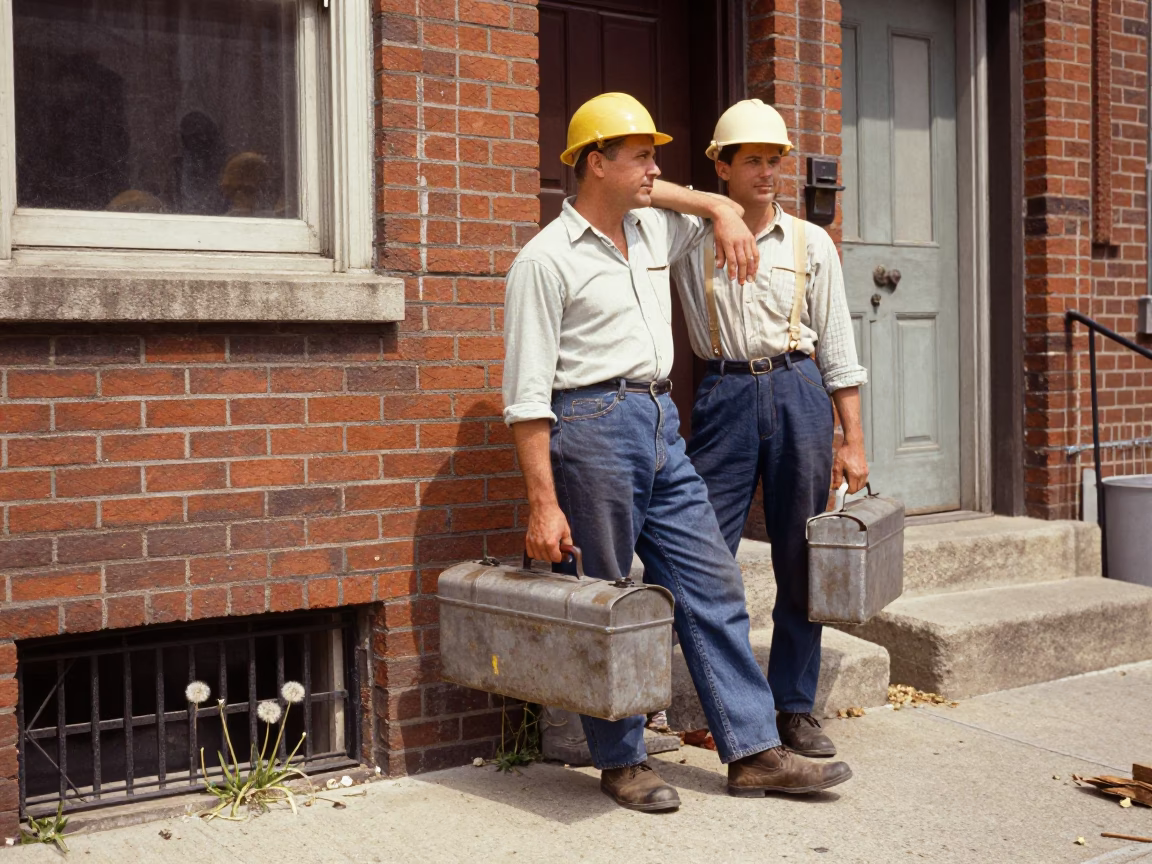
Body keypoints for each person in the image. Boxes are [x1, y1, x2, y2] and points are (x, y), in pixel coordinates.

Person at [502, 92, 853, 812]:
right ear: (597, 163)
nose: (655, 171)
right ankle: (622, 758)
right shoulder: (544, 261)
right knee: (609, 595)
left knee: (712, 582)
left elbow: (675, 195)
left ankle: (753, 751)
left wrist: (722, 210)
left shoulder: (656, 232)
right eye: (641, 157)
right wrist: (542, 500)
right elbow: (527, 398)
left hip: (661, 419)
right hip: (590, 423)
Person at [652, 98, 870, 759]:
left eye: (776, 160)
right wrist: (714, 210)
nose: (768, 172)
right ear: (721, 165)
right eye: (752, 161)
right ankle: (695, 702)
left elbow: (837, 346)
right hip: (724, 392)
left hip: (799, 389)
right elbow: (641, 186)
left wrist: (851, 437)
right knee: (700, 554)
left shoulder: (812, 243)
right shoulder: (685, 234)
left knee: (802, 558)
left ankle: (793, 708)